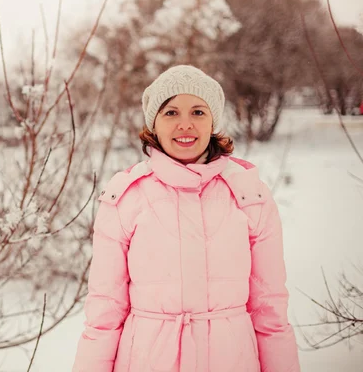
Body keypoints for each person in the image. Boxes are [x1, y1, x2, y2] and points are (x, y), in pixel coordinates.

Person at [72, 65, 300, 372]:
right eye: (170, 113)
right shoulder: (125, 197)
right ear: (154, 123)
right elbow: (104, 314)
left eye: (197, 112)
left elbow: (270, 312)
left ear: (212, 121)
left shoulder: (249, 195)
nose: (185, 125)